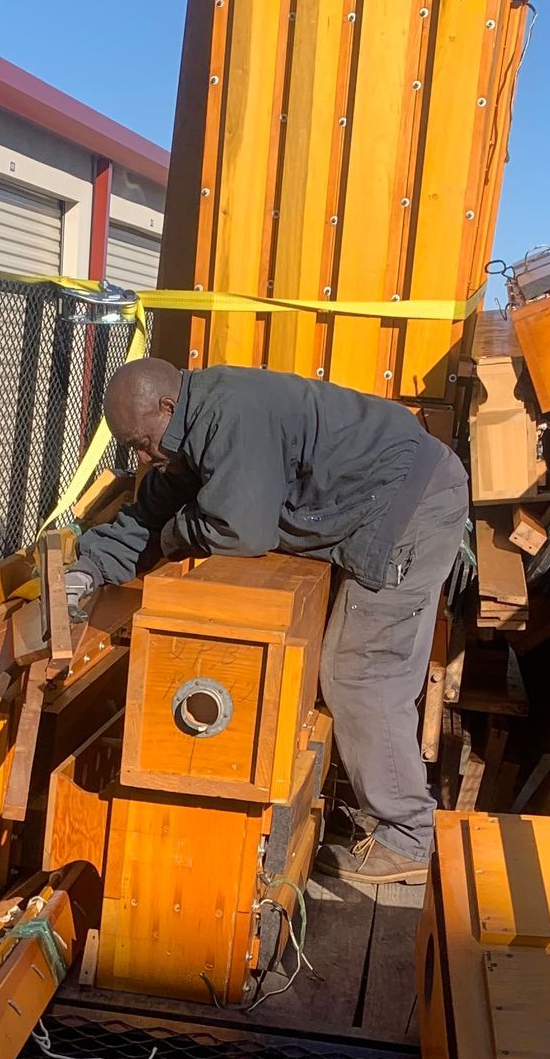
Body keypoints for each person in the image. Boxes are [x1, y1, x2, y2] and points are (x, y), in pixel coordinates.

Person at [69, 357, 469, 884]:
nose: (144, 457)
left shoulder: (230, 414)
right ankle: (391, 814)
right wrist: (88, 569)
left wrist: (173, 536)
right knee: (352, 666)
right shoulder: (191, 425)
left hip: (409, 505)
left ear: (168, 405)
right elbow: (153, 511)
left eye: (144, 441)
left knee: (360, 672)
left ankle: (409, 835)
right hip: (375, 496)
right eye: (133, 448)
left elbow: (243, 531)